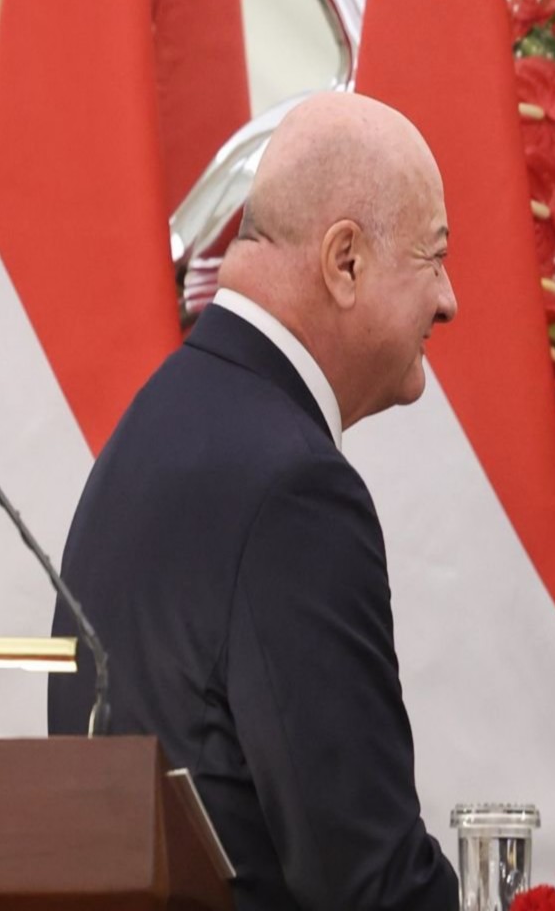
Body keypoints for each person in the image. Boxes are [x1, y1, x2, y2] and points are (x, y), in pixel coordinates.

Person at [48, 92, 460, 910]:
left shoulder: (161, 422)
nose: (449, 300)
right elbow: (365, 879)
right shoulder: (295, 491)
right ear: (345, 262)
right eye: (434, 257)